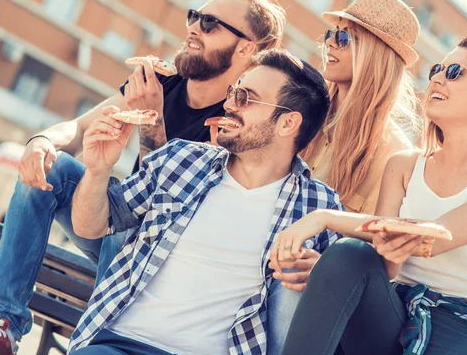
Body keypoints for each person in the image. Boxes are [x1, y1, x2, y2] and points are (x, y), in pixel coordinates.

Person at [0, 0, 286, 355]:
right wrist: (42, 142)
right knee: (56, 169)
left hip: (167, 258)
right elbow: (77, 129)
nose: (193, 27)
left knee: (127, 216)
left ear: (246, 48)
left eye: (210, 23)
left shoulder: (239, 117)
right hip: (109, 231)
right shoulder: (160, 81)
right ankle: (3, 324)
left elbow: (172, 204)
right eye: (194, 16)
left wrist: (151, 120)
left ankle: (102, 340)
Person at [274, 35, 467, 355]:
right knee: (349, 254)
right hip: (394, 308)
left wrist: (323, 217)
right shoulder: (402, 165)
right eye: (437, 69)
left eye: (454, 72)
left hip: (462, 324)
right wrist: (333, 273)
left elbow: (433, 238)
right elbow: (385, 262)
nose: (438, 77)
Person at [67, 49, 342, 354]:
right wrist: (97, 170)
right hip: (119, 344)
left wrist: (325, 274)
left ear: (288, 123)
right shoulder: (182, 158)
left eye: (245, 98)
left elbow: (345, 299)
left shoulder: (317, 205)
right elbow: (90, 226)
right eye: (232, 92)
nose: (228, 104)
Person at [266, 0, 421, 353]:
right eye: (329, 36)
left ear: (374, 56)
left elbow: (382, 261)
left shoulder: (394, 152)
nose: (329, 45)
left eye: (343, 38)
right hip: (264, 254)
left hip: (313, 297)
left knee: (288, 287)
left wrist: (325, 270)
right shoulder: (307, 112)